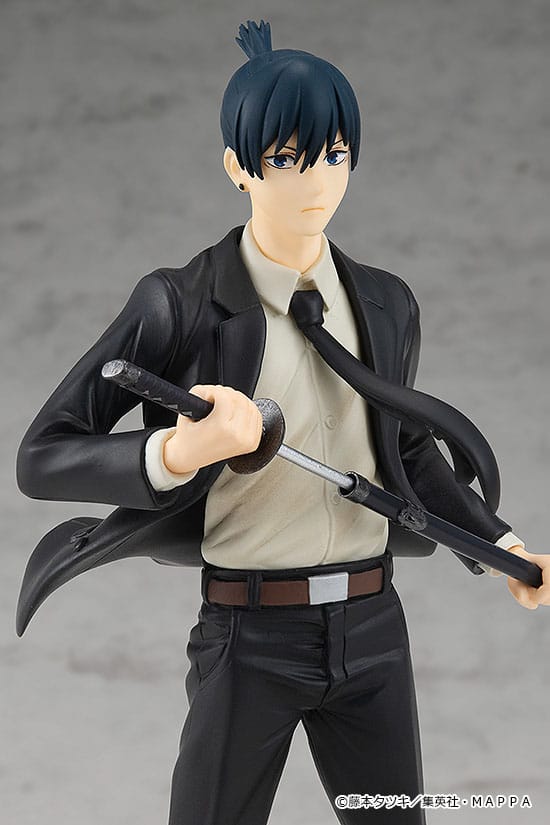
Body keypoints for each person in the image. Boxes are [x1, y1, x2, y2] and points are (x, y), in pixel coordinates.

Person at [16, 19, 550, 825]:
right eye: (287, 158)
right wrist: (178, 449)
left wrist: (500, 544)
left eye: (334, 154)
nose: (316, 180)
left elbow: (406, 449)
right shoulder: (182, 302)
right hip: (250, 633)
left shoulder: (385, 302)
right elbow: (44, 454)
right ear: (238, 166)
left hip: (373, 627)